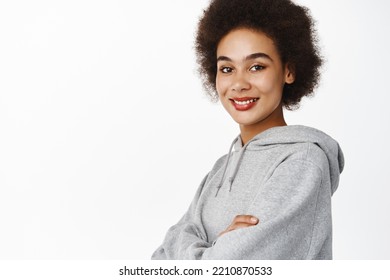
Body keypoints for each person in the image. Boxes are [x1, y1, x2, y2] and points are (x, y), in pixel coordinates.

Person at [151, 0, 344, 260]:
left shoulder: (303, 162)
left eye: (256, 67)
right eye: (227, 69)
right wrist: (217, 247)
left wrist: (203, 249)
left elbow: (236, 268)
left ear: (289, 70)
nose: (239, 83)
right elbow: (160, 257)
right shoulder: (220, 170)